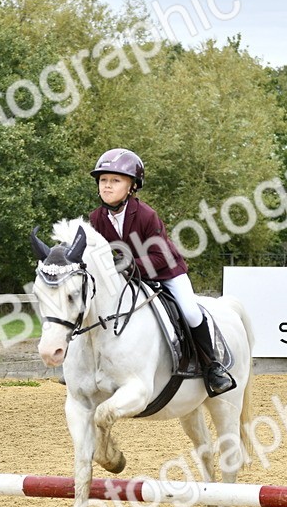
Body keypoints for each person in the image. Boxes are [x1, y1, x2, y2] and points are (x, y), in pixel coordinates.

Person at [86, 148, 236, 396]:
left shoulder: (146, 215)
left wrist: (126, 264)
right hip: (127, 278)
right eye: (103, 180)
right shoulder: (96, 218)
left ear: (132, 186)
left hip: (166, 272)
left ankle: (212, 367)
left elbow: (160, 257)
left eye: (115, 180)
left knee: (190, 311)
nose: (107, 186)